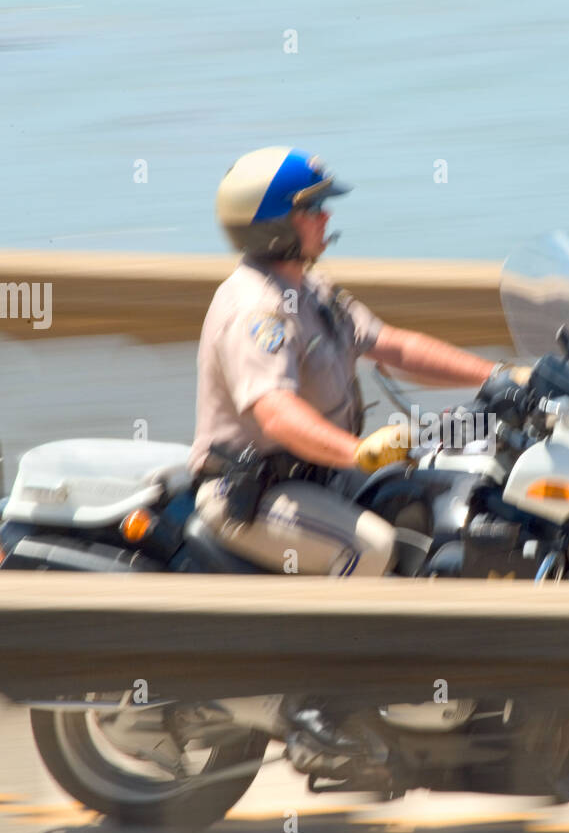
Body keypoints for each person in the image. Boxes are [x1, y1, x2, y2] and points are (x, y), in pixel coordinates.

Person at [191, 146, 527, 755]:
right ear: (274, 224)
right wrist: (359, 452)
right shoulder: (254, 309)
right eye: (312, 208)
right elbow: (274, 410)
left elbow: (391, 344)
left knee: (434, 493)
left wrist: (499, 377)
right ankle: (316, 705)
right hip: (256, 494)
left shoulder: (311, 290)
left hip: (319, 480)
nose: (325, 217)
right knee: (366, 548)